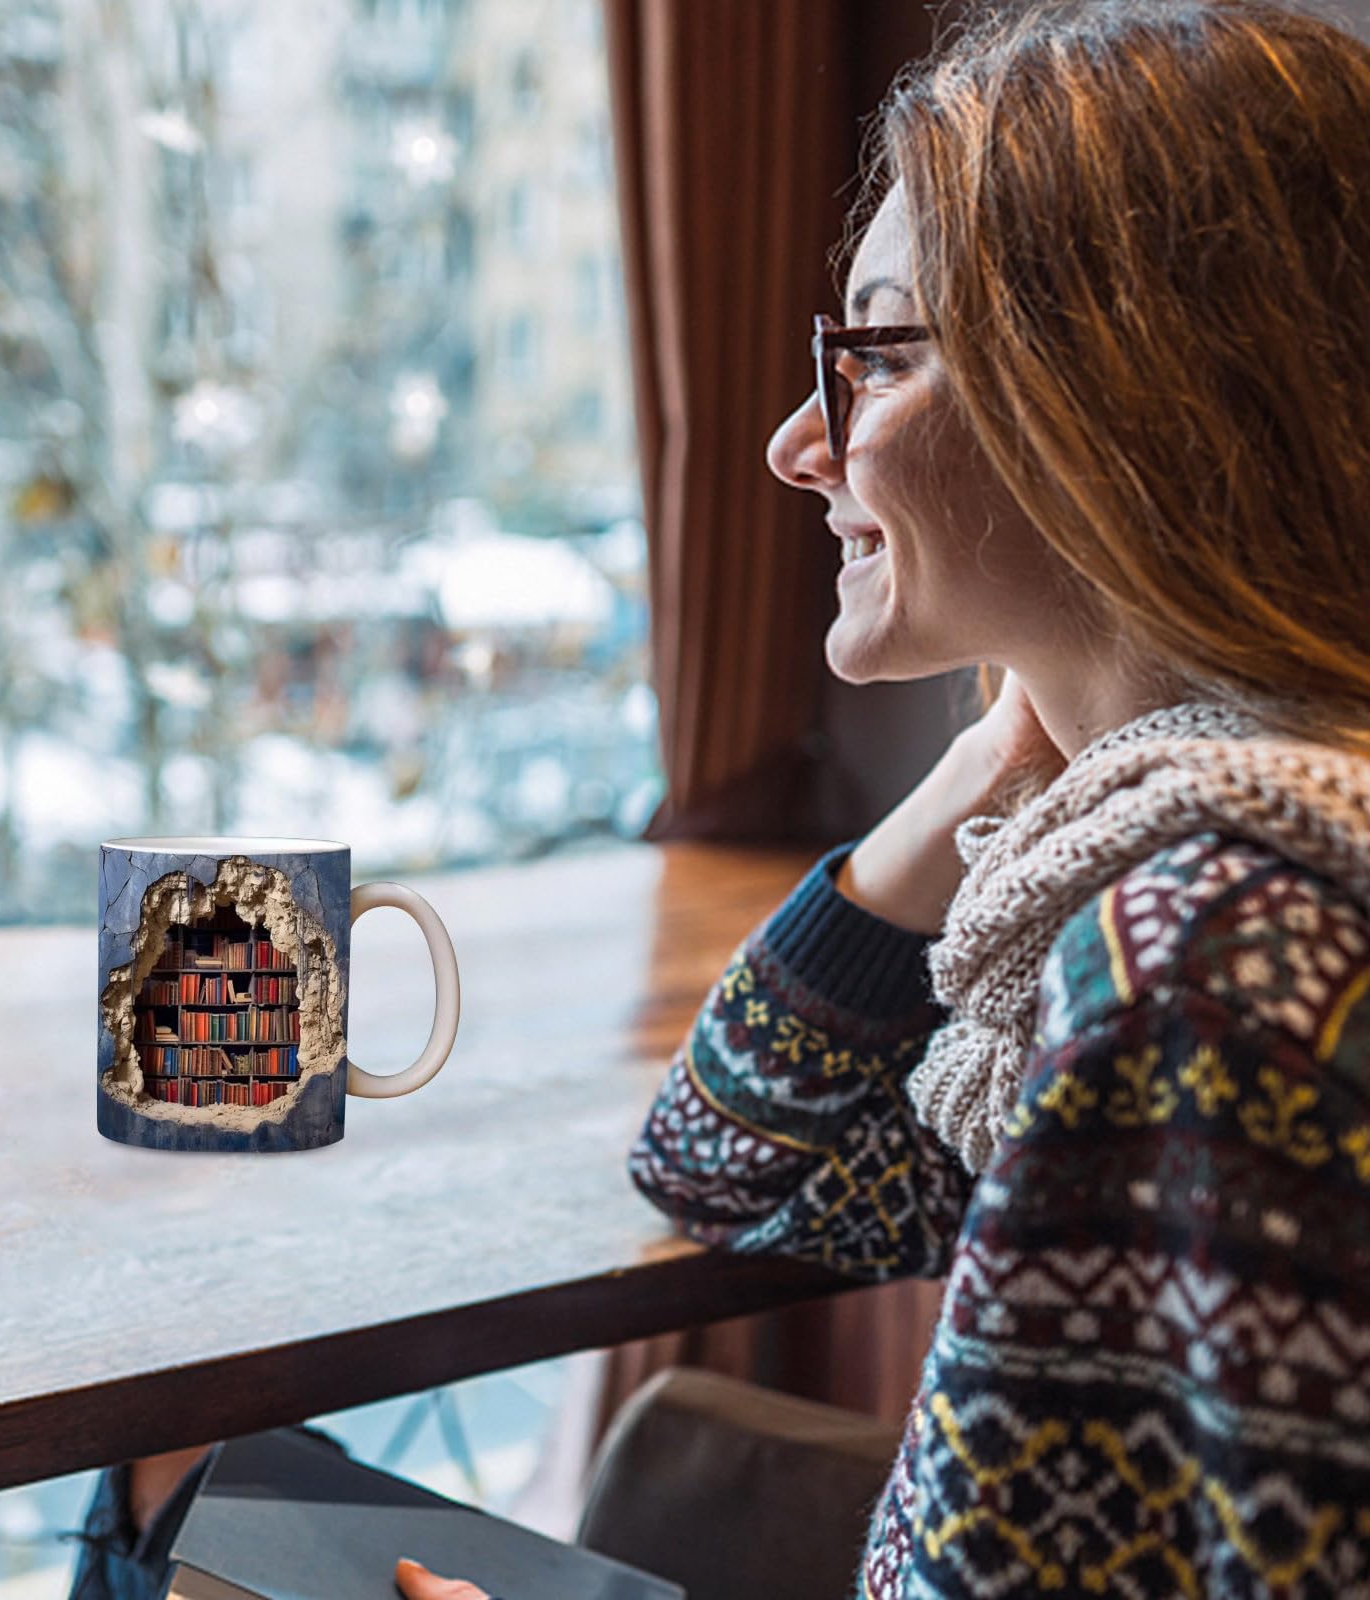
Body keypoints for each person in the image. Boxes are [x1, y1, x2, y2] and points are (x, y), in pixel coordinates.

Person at [72, 1, 1370, 1595]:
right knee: (198, 1490)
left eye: (877, 353)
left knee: (176, 1523)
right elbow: (719, 1168)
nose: (793, 444)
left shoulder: (1218, 951)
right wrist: (983, 774)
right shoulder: (1153, 878)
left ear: (1118, 397)